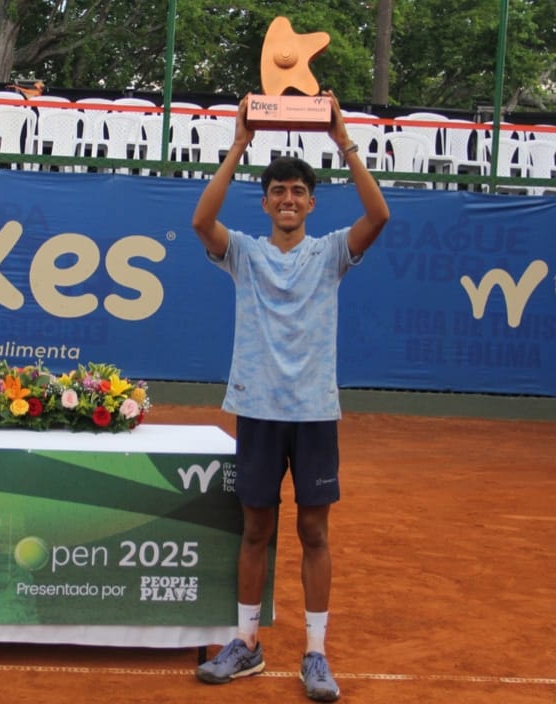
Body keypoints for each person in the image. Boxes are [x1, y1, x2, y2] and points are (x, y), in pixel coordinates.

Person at [190, 91, 390, 702]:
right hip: (257, 409)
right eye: (277, 191)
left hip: (313, 414)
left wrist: (342, 138)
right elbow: (201, 222)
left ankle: (316, 654)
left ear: (310, 202)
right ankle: (246, 643)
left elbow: (378, 216)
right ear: (266, 201)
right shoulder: (245, 254)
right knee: (255, 530)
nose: (288, 199)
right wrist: (240, 143)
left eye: (298, 192)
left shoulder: (330, 253)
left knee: (314, 532)